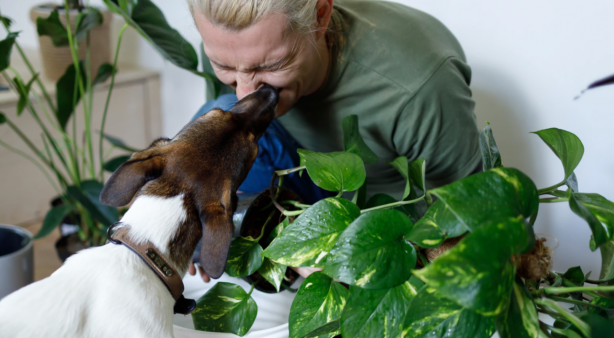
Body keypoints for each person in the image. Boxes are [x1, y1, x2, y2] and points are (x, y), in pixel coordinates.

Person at [187, 0, 481, 281]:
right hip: (301, 179)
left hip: (382, 221)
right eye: (224, 67)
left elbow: (468, 214)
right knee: (220, 121)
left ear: (320, 16)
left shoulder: (421, 88)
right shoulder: (230, 42)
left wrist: (348, 257)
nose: (246, 94)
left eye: (269, 66)